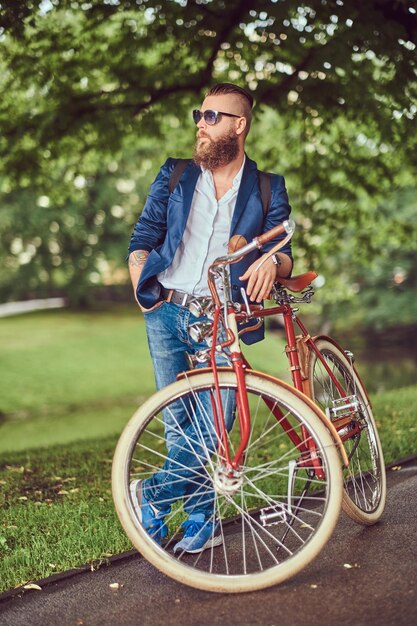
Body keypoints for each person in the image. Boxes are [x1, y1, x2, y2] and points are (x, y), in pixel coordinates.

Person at [127, 83, 293, 553]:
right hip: (166, 312)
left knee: (216, 420)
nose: (201, 122)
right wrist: (140, 283)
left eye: (214, 116)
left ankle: (153, 495)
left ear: (240, 125)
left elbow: (285, 257)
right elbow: (144, 235)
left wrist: (270, 262)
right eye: (199, 114)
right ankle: (201, 517)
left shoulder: (267, 188)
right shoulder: (176, 174)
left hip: (225, 318)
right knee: (178, 419)